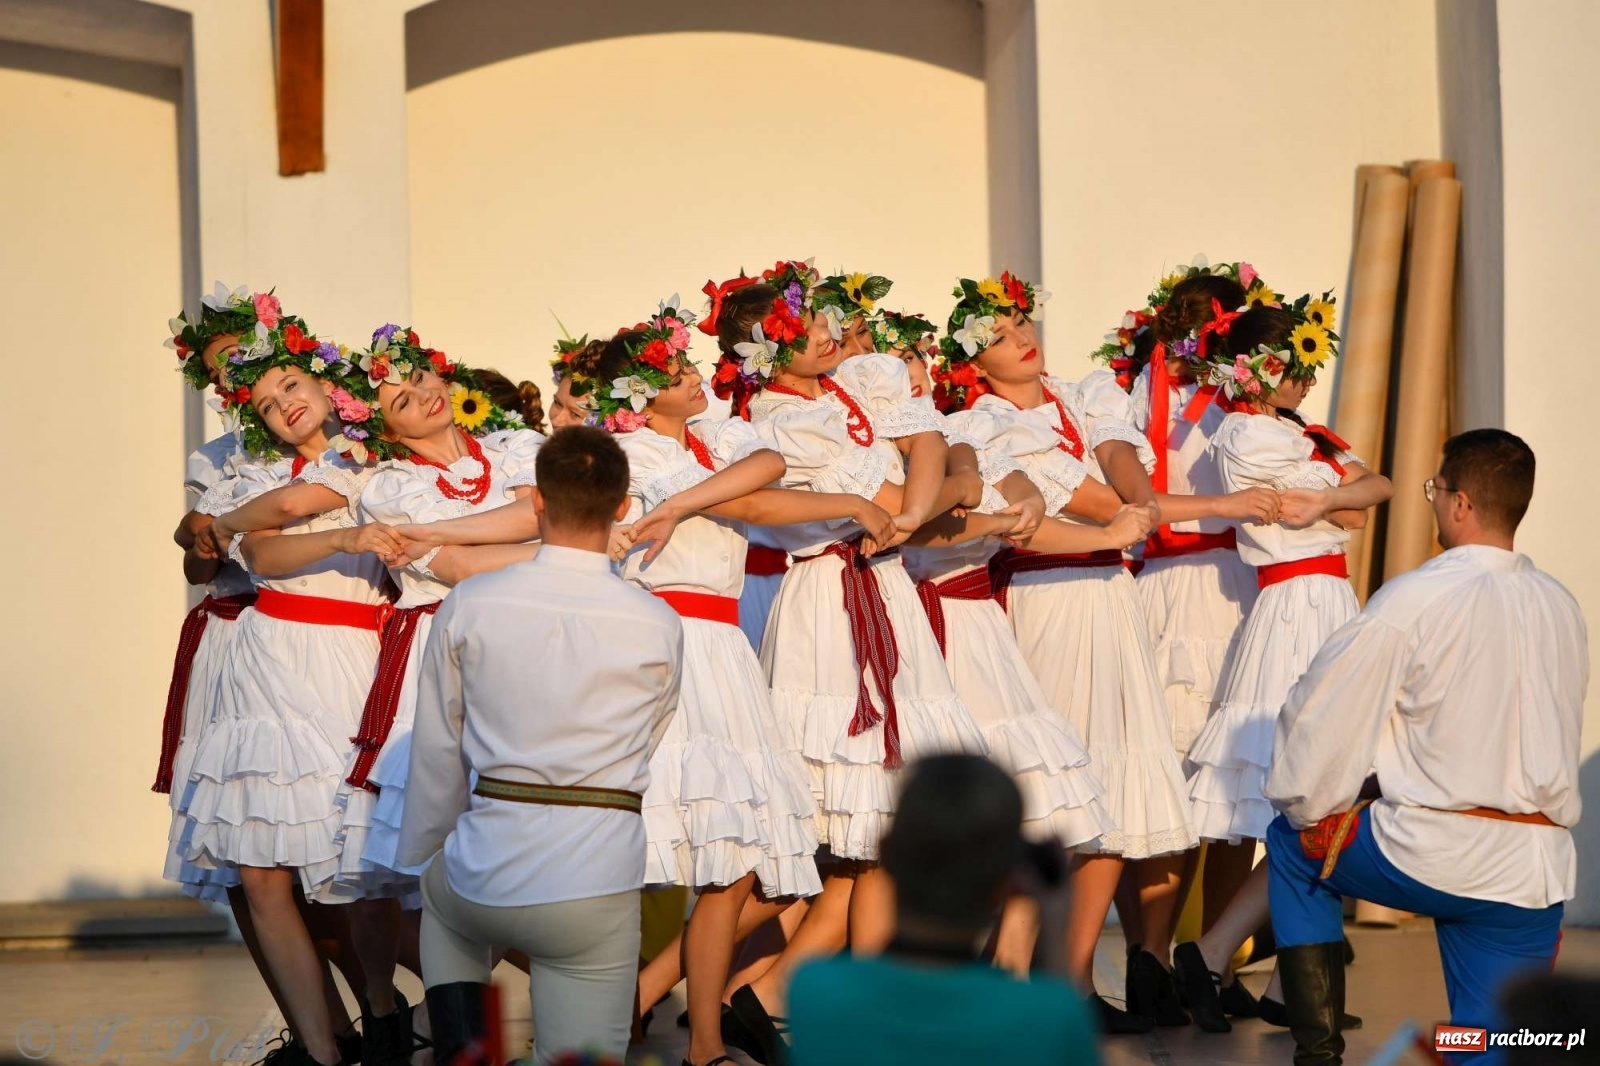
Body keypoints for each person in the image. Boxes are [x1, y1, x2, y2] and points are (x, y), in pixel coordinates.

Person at [705, 261, 986, 1063]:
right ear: (763, 352)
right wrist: (890, 503)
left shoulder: (854, 391)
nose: (827, 333)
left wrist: (915, 508)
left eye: (823, 321)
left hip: (884, 585)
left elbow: (922, 452)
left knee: (881, 830)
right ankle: (702, 984)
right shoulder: (775, 419)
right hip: (829, 604)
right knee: (828, 828)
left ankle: (790, 997)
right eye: (804, 330)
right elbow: (831, 500)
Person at [1264, 429, 1583, 1066]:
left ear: (1461, 503)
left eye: (1435, 490)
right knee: (1499, 1044)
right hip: (1533, 867)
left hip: (1428, 852)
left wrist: (1317, 803)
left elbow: (1324, 713)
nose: (1434, 502)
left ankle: (1319, 1056)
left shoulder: (1416, 595)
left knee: (1291, 841)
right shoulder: (1560, 604)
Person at [932, 272, 1196, 1032]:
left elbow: (1118, 459)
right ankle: (1010, 963)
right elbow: (1088, 500)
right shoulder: (982, 422)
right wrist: (1132, 511)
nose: (1022, 338)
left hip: (1111, 592)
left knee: (1114, 786)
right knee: (1059, 785)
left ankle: (1073, 982)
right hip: (1048, 600)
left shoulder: (1081, 392)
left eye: (1022, 324)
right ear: (974, 364)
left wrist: (1139, 500)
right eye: (1002, 335)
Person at [397, 425, 685, 1066]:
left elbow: (440, 746)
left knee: (442, 900)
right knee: (580, 1058)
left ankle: (465, 1050)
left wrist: (428, 852)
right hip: (597, 877)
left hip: (483, 872)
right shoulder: (657, 621)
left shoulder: (472, 601)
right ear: (621, 507)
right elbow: (654, 733)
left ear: (537, 502)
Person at [180, 317, 411, 1066]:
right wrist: (208, 529)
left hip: (349, 660)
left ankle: (384, 1011)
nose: (283, 402)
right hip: (264, 663)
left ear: (327, 387)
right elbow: (245, 546)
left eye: (291, 383)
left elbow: (282, 514)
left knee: (356, 862)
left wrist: (215, 523)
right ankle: (322, 1048)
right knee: (258, 863)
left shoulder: (368, 458)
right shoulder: (246, 472)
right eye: (267, 396)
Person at [1173, 298, 1391, 1033]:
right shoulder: (1242, 434)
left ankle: (1274, 980)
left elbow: (1370, 496)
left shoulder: (1300, 432)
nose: (1304, 380)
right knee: (1311, 802)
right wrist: (1336, 490)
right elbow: (1317, 508)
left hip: (1329, 598)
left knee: (1334, 799)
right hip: (1296, 606)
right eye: (1294, 367)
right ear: (1256, 371)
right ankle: (1214, 953)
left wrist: (1333, 489)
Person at [787, 754, 1101, 1066]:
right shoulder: (1048, 1017)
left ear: (887, 854)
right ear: (1012, 881)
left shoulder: (817, 990)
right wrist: (1056, 933)